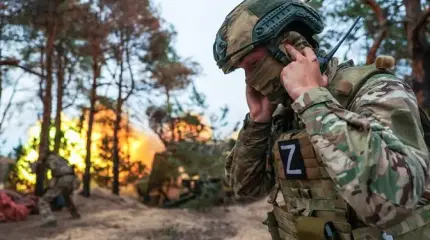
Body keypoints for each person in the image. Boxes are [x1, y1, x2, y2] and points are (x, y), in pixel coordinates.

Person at [213, 0, 430, 239]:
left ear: (290, 49)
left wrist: (312, 99)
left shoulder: (376, 90)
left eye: (254, 64)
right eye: (243, 71)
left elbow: (396, 199)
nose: (250, 81)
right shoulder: (283, 115)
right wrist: (258, 120)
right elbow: (245, 188)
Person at [32, 152, 81, 227]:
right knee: (66, 196)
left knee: (43, 201)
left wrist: (37, 166)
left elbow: (53, 167)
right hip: (72, 178)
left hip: (63, 179)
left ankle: (49, 219)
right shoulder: (60, 158)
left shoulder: (50, 159)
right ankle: (75, 214)